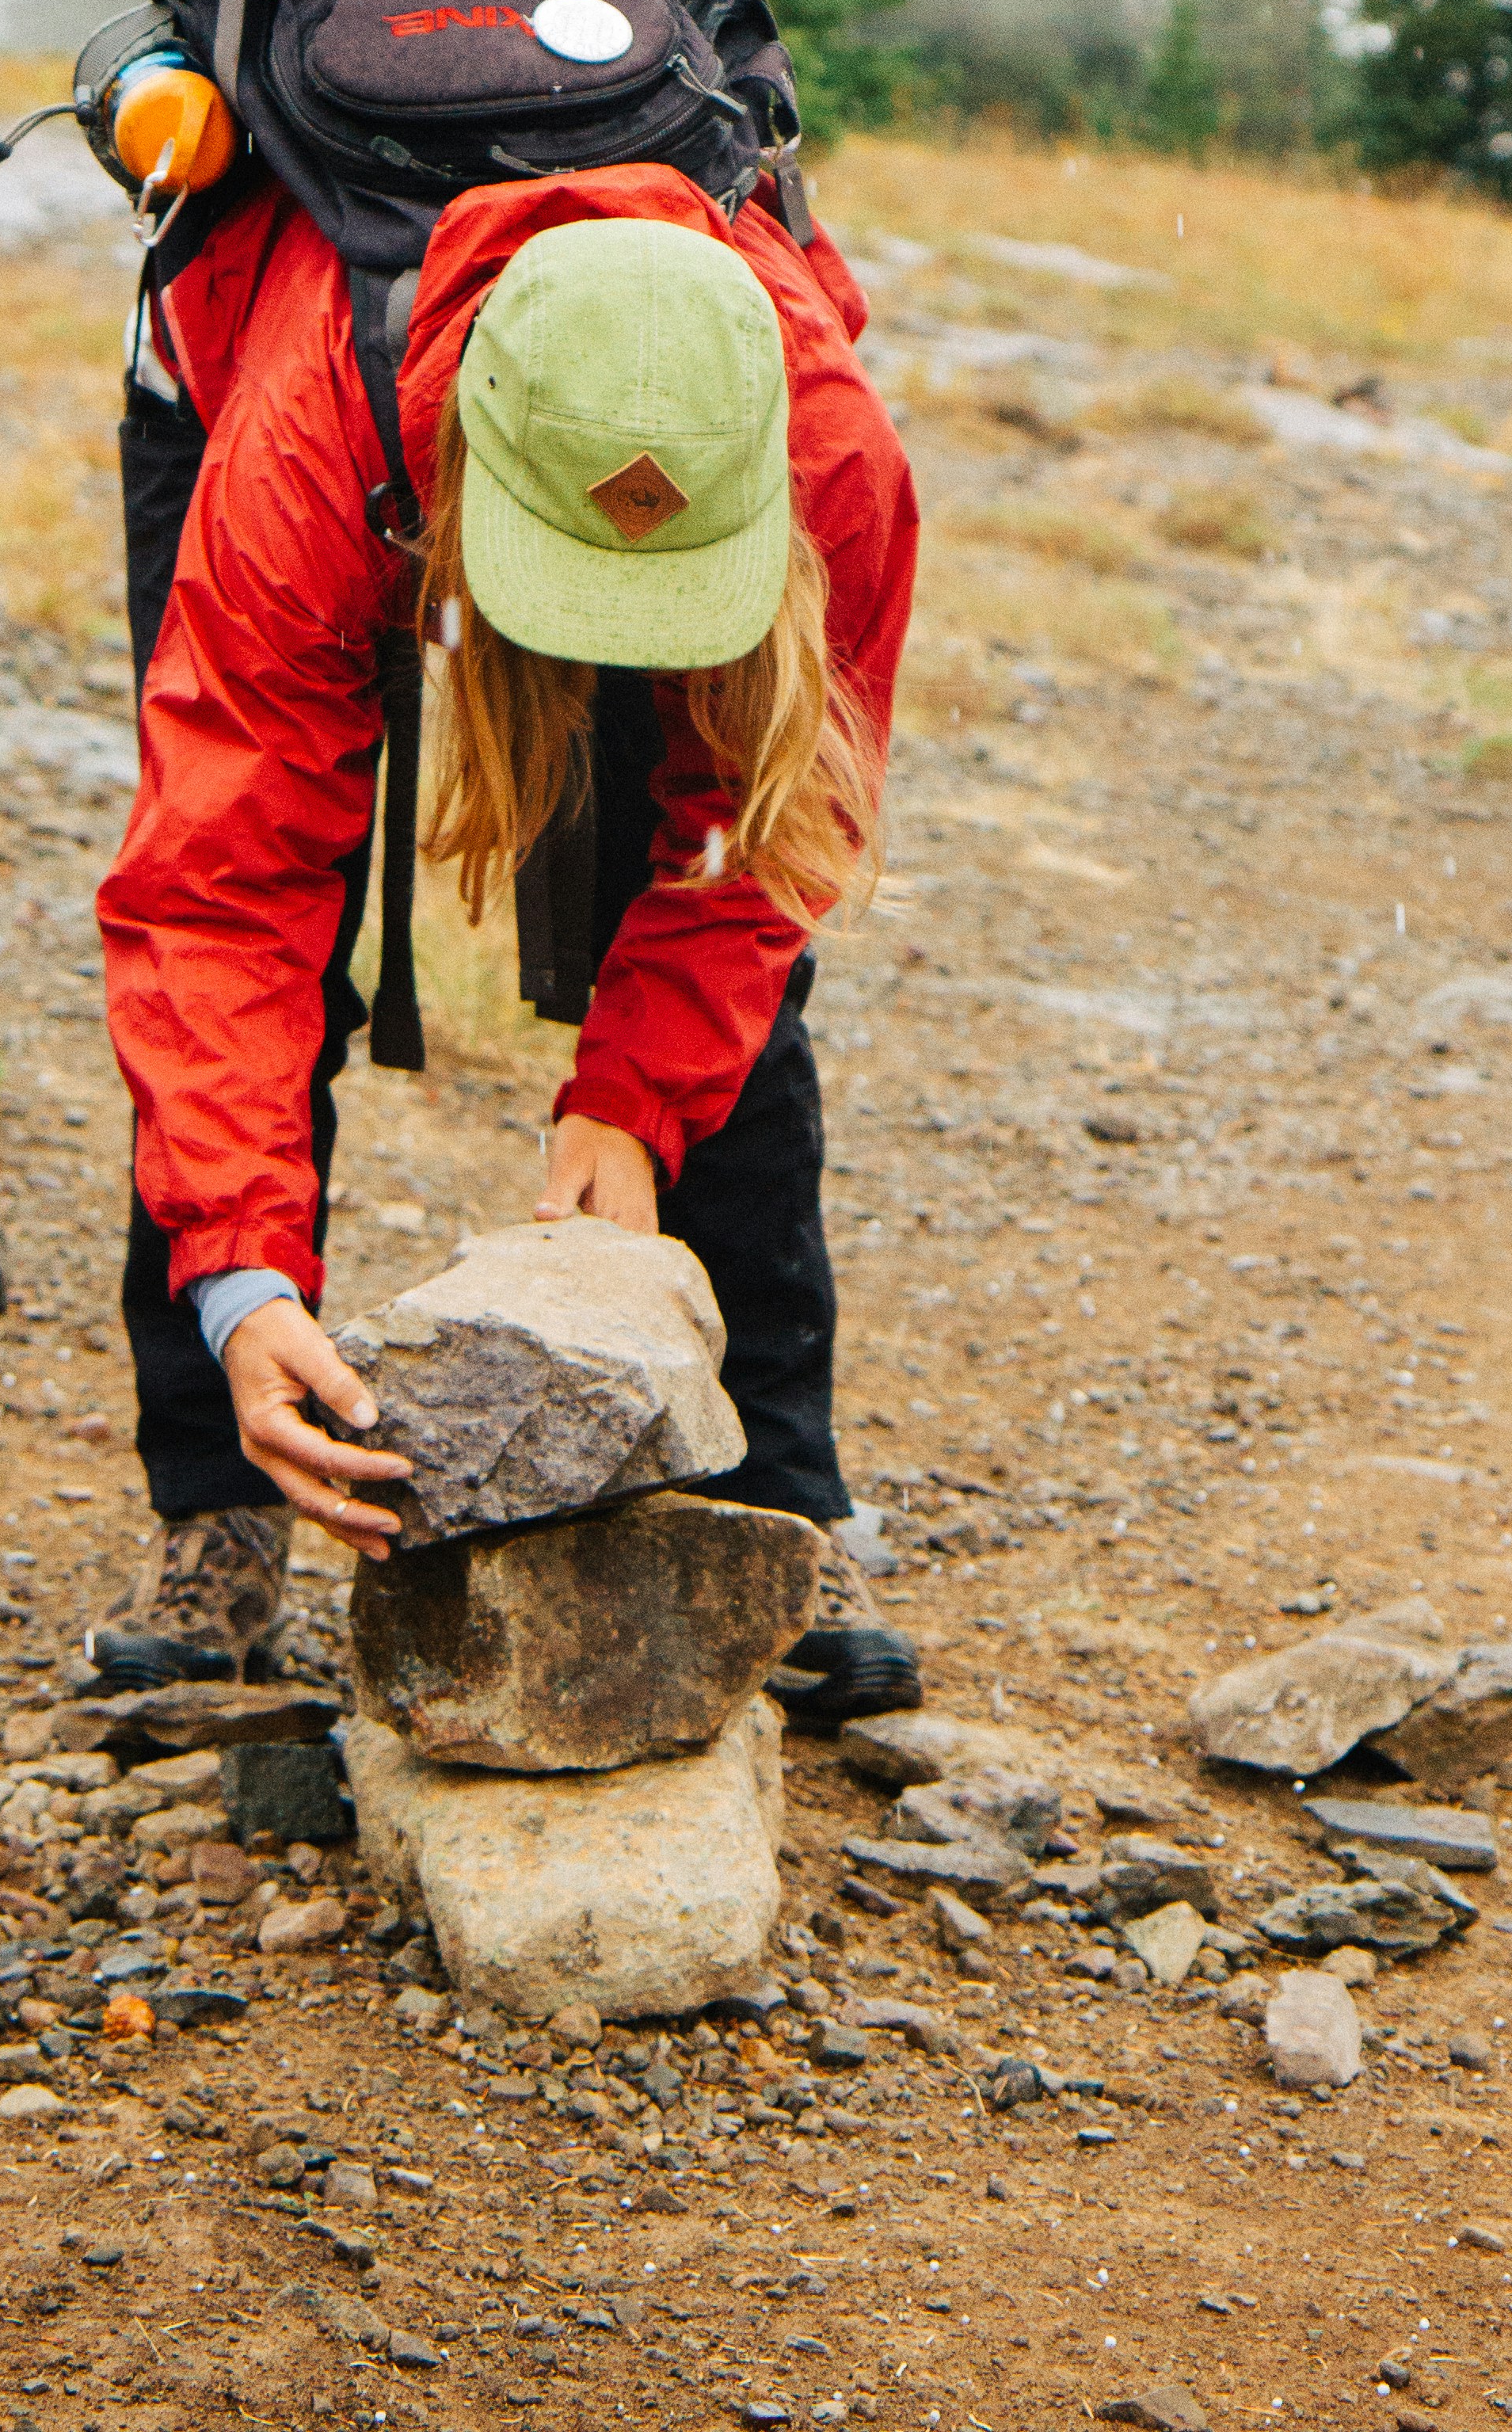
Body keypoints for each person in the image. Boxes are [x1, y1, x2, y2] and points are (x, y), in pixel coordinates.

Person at [92, 154, 923, 1728]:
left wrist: (636, 1089)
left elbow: (757, 836)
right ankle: (219, 1494)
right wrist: (238, 1273)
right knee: (262, 947)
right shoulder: (306, 448)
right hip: (320, 425)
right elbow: (219, 890)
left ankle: (779, 1502)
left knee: (723, 968)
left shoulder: (831, 456)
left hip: (585, 472)